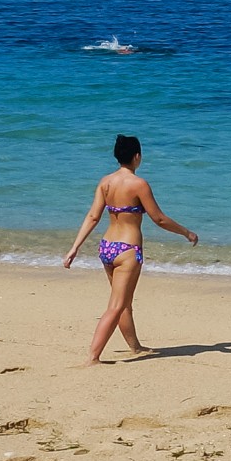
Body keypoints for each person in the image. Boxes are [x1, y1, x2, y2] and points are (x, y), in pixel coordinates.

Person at [63, 134, 198, 364]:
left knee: (122, 301)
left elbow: (93, 216)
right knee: (116, 305)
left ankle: (135, 347)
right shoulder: (139, 184)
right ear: (137, 156)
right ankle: (93, 357)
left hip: (107, 247)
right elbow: (159, 219)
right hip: (128, 250)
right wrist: (186, 232)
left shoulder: (105, 182)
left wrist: (75, 247)